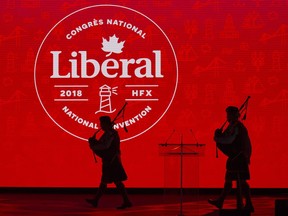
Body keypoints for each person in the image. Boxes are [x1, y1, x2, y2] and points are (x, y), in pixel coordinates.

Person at [208, 106, 254, 212]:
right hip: (235, 158)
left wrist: (218, 138)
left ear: (233, 115)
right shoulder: (233, 126)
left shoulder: (237, 127)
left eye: (228, 114)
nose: (227, 117)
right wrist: (220, 136)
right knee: (230, 180)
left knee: (241, 181)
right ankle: (222, 201)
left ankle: (247, 203)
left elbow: (229, 140)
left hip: (239, 158)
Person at [86, 116, 132, 209]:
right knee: (106, 181)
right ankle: (96, 200)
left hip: (112, 161)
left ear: (106, 124)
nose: (101, 125)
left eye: (102, 123)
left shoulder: (110, 133)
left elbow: (105, 146)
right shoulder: (109, 133)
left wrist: (93, 145)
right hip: (110, 160)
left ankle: (126, 201)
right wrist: (95, 143)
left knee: (116, 182)